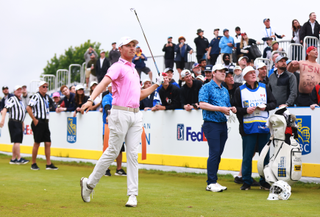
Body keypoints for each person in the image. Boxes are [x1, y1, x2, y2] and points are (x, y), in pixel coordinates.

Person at [80, 36, 161, 207]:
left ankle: (133, 195)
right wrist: (90, 99)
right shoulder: (117, 66)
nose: (133, 48)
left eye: (134, 46)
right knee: (112, 151)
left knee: (132, 155)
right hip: (120, 113)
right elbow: (103, 83)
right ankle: (89, 184)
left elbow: (138, 95)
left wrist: (155, 86)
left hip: (136, 114)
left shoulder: (133, 69)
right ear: (121, 50)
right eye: (129, 46)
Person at [233, 66, 277, 190]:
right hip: (248, 128)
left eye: (254, 72)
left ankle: (264, 181)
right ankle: (246, 181)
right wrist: (245, 110)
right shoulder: (239, 90)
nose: (253, 74)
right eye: (250, 73)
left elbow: (274, 103)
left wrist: (266, 107)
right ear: (245, 77)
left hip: (263, 127)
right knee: (247, 156)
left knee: (265, 156)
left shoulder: (264, 87)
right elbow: (236, 109)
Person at [199, 64, 236, 192]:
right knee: (214, 153)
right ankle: (211, 182)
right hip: (211, 123)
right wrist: (220, 109)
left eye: (224, 71)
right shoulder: (206, 87)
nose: (223, 73)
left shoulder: (224, 90)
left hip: (222, 124)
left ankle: (213, 180)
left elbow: (226, 105)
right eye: (220, 71)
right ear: (214, 73)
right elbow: (202, 104)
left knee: (218, 154)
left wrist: (231, 109)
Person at [26, 81, 58, 170]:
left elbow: (54, 106)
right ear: (39, 87)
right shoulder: (36, 96)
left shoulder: (47, 97)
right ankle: (33, 163)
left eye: (47, 86)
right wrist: (34, 119)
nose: (45, 88)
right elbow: (28, 107)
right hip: (38, 121)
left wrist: (59, 108)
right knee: (37, 143)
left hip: (45, 122)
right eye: (43, 86)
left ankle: (48, 164)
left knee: (48, 142)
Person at [102, 83, 127, 176]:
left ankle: (119, 169)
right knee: (107, 147)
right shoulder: (107, 96)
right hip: (108, 125)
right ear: (108, 88)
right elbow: (107, 106)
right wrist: (109, 115)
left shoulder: (120, 97)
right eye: (111, 87)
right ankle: (106, 168)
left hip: (119, 125)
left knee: (120, 147)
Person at [0, 85, 29, 165]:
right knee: (17, 141)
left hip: (19, 122)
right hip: (14, 121)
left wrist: (22, 124)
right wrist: (2, 120)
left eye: (20, 90)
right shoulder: (12, 99)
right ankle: (19, 158)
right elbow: (5, 109)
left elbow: (22, 113)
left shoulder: (21, 101)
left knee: (16, 141)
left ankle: (13, 159)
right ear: (14, 91)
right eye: (17, 90)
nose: (19, 91)